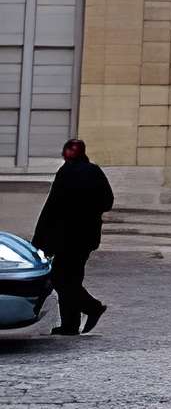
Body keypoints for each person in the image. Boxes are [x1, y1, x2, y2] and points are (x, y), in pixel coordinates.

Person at [32, 138, 113, 336]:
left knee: (60, 278)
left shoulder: (66, 172)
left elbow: (52, 208)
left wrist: (39, 240)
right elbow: (107, 202)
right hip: (85, 237)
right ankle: (70, 325)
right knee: (72, 279)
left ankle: (91, 307)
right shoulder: (94, 172)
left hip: (66, 238)